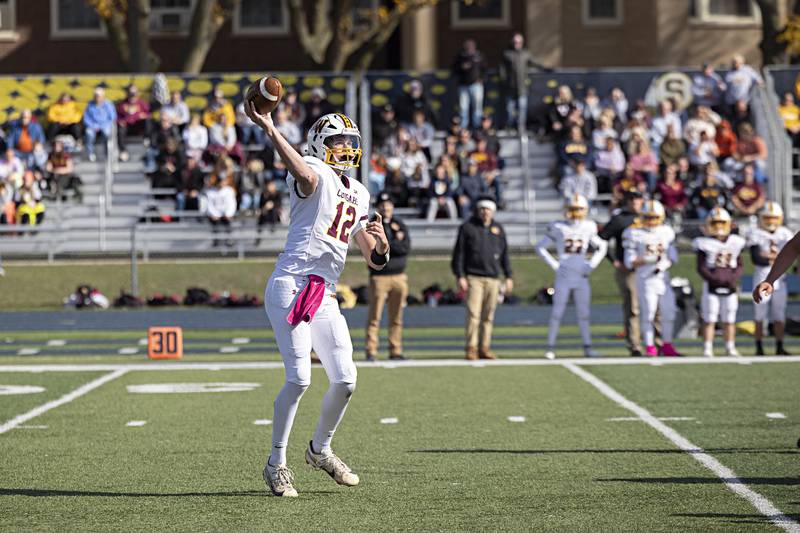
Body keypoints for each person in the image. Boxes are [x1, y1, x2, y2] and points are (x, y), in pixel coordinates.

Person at [244, 102, 389, 498]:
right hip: (291, 284)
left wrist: (383, 245)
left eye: (350, 141)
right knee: (300, 377)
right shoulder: (314, 171)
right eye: (339, 140)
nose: (347, 147)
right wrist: (271, 129)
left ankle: (320, 450)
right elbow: (305, 175)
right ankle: (276, 464)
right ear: (321, 144)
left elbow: (373, 258)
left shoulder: (359, 191)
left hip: (322, 292)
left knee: (345, 379)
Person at [534, 194, 607, 359]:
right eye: (573, 209)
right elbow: (540, 247)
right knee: (557, 312)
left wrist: (591, 264)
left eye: (579, 209)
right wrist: (556, 265)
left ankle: (587, 347)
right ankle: (550, 347)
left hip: (581, 276)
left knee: (584, 313)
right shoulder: (558, 226)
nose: (575, 212)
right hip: (564, 277)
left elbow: (602, 246)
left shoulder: (589, 226)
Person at [451, 196, 513, 360]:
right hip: (474, 277)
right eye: (483, 209)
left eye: (489, 209)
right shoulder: (468, 227)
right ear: (478, 210)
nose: (485, 212)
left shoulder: (498, 229)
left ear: (493, 211)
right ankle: (471, 347)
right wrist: (460, 275)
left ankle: (484, 347)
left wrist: (508, 276)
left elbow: (504, 254)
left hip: (493, 277)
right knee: (473, 314)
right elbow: (459, 254)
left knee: (488, 315)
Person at [622, 200, 681, 357]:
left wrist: (662, 264)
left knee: (669, 313)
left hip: (663, 279)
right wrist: (648, 260)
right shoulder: (634, 233)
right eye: (648, 217)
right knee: (648, 313)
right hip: (645, 279)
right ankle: (649, 346)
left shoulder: (666, 232)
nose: (651, 221)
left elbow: (674, 257)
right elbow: (629, 262)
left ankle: (667, 344)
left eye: (655, 217)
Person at [692, 207, 746, 357]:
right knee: (710, 318)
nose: (719, 227)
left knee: (729, 318)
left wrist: (731, 278)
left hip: (730, 286)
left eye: (722, 223)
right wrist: (715, 279)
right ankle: (708, 347)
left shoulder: (736, 242)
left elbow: (740, 265)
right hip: (711, 285)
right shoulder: (703, 243)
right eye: (715, 223)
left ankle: (730, 346)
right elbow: (701, 267)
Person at [599, 189, 646, 357]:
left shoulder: (650, 217)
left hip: (649, 270)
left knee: (654, 307)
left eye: (638, 199)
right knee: (633, 308)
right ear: (627, 202)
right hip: (629, 270)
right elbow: (601, 239)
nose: (635, 203)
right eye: (632, 199)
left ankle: (656, 342)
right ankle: (635, 344)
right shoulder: (620, 219)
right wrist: (615, 261)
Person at [365, 192, 411, 361]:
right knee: (375, 316)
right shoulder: (372, 224)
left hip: (399, 276)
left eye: (388, 204)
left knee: (396, 316)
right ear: (378, 207)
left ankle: (395, 349)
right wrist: (391, 244)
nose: (386, 207)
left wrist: (388, 245)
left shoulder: (399, 224)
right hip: (379, 277)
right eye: (383, 205)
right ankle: (371, 350)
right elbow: (374, 248)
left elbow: (405, 248)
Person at [747, 202, 793, 355]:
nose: (771, 222)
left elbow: (791, 255)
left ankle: (780, 346)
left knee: (779, 314)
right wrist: (774, 259)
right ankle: (759, 346)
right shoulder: (756, 233)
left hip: (781, 279)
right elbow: (756, 258)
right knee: (760, 314)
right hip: (762, 278)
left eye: (774, 218)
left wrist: (770, 257)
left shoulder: (785, 233)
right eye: (768, 218)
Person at [499, 32, 548, 131]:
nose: (517, 44)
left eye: (519, 42)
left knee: (522, 108)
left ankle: (521, 127)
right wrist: (504, 80)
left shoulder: (526, 54)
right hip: (510, 87)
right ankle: (510, 126)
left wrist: (545, 68)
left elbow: (534, 62)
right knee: (509, 109)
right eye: (515, 42)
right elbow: (502, 69)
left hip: (522, 87)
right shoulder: (507, 54)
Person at [452, 39, 486, 129]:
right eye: (468, 47)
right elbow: (454, 69)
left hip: (476, 85)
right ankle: (463, 127)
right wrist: (461, 67)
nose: (469, 49)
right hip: (463, 85)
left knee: (477, 107)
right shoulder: (460, 57)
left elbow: (484, 69)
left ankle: (477, 126)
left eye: (471, 47)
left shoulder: (478, 56)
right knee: (463, 107)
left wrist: (481, 79)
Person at [116, 85, 150, 162]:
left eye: (134, 94)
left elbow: (148, 114)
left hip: (138, 127)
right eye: (131, 94)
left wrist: (140, 116)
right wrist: (120, 121)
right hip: (127, 128)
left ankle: (146, 139)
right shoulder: (122, 104)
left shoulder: (141, 103)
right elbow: (117, 117)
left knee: (147, 122)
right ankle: (123, 151)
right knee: (120, 128)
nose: (133, 96)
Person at [83, 88, 117, 162]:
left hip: (105, 125)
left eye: (99, 96)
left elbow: (112, 118)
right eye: (96, 96)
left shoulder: (108, 104)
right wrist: (93, 126)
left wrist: (103, 126)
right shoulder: (90, 104)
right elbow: (86, 118)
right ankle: (90, 153)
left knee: (107, 133)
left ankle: (107, 152)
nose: (97, 98)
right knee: (88, 133)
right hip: (93, 125)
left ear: (103, 97)